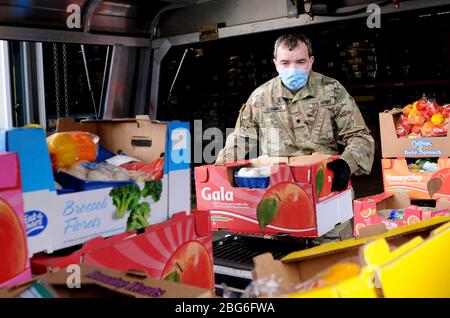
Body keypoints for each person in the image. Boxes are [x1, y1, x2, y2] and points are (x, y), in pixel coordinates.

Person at [216, 33, 374, 194]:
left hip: (326, 182)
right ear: (275, 64)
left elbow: (359, 135)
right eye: (285, 63)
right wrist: (217, 173)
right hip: (278, 188)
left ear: (310, 62)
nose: (293, 69)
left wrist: (347, 164)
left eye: (300, 62)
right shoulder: (260, 97)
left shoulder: (332, 90)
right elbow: (240, 139)